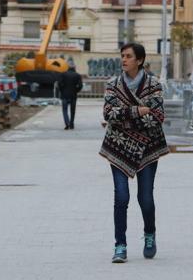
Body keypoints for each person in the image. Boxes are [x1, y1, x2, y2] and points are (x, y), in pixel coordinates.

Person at [99, 42, 169, 263]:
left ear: (139, 60)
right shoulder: (113, 84)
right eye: (122, 56)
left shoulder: (154, 84)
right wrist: (137, 110)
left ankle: (150, 235)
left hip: (147, 148)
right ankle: (120, 245)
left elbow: (157, 117)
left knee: (145, 198)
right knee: (121, 197)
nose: (124, 60)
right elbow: (109, 114)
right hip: (118, 148)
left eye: (128, 56)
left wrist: (125, 118)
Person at [59, 64, 83, 129]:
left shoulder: (63, 74)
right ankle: (71, 124)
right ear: (74, 68)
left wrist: (62, 91)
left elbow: (60, 84)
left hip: (64, 95)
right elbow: (80, 85)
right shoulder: (77, 75)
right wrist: (76, 90)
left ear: (68, 68)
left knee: (64, 110)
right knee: (72, 110)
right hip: (73, 95)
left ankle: (67, 123)